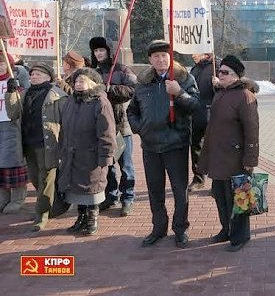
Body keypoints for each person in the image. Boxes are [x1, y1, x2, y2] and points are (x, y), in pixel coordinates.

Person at [127, 40, 200, 248]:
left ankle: (180, 229)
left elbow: (195, 105)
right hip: (150, 145)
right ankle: (158, 228)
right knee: (155, 190)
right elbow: (132, 110)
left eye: (164, 55)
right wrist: (139, 127)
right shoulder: (143, 82)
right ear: (150, 59)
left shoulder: (184, 79)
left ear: (171, 57)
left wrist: (179, 93)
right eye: (156, 56)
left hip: (175, 144)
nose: (161, 59)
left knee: (179, 190)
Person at [198, 55, 259, 252]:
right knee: (220, 195)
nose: (220, 75)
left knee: (239, 199)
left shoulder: (245, 96)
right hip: (218, 156)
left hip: (236, 159)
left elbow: (252, 130)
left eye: (225, 72)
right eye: (220, 71)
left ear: (236, 76)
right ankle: (226, 229)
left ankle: (240, 235)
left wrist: (250, 159)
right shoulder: (221, 93)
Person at [5, 62, 67, 230]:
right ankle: (55, 205)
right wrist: (11, 92)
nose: (33, 76)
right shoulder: (23, 94)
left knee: (46, 180)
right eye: (32, 74)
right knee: (35, 179)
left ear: (48, 77)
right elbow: (13, 114)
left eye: (38, 74)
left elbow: (66, 122)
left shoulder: (58, 96)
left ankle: (42, 215)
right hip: (28, 145)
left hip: (49, 145)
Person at [58, 68, 117, 236]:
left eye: (82, 81)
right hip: (72, 154)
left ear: (92, 83)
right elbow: (64, 128)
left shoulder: (100, 102)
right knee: (76, 189)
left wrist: (106, 156)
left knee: (91, 188)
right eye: (76, 81)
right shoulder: (71, 101)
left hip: (91, 155)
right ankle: (81, 216)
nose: (78, 84)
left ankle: (93, 217)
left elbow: (107, 132)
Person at [90, 36, 137, 217]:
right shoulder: (92, 73)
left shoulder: (122, 70)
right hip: (102, 127)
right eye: (96, 51)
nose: (99, 54)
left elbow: (133, 90)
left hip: (121, 125)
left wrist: (112, 89)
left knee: (126, 165)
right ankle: (110, 196)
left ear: (109, 52)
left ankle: (128, 198)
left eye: (102, 50)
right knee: (107, 165)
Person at [0, 54, 28, 215]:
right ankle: (3, 197)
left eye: (2, 64)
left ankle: (17, 197)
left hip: (12, 124)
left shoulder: (17, 81)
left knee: (14, 159)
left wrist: (16, 89)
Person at [188, 52, 215, 192]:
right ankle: (198, 179)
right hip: (196, 113)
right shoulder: (195, 68)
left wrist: (218, 84)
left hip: (213, 114)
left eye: (195, 52)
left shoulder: (217, 65)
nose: (192, 54)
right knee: (196, 147)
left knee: (216, 148)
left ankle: (217, 182)